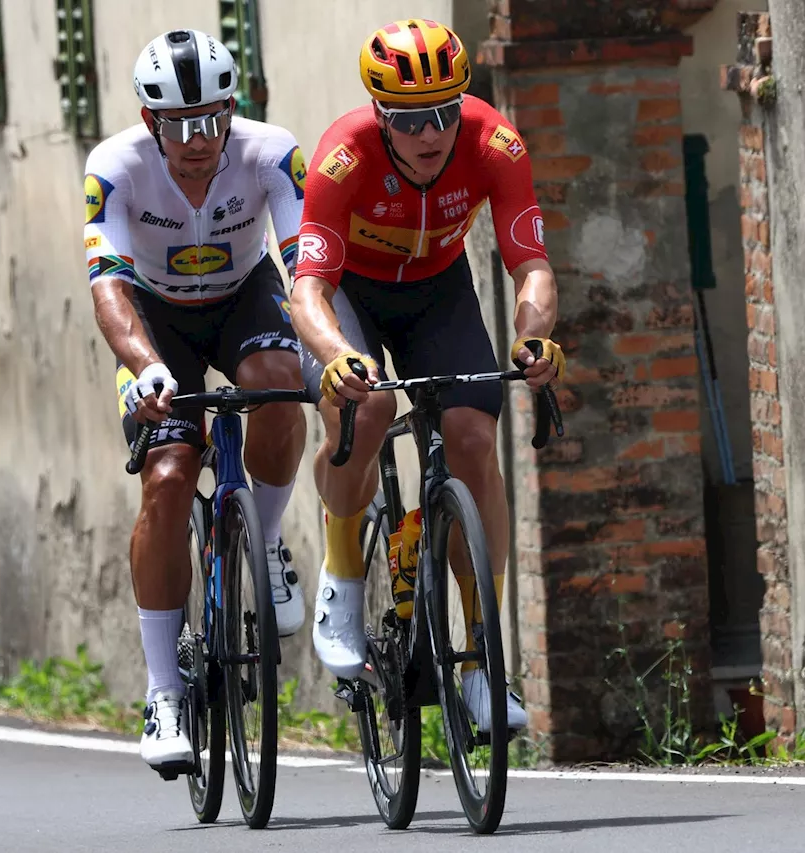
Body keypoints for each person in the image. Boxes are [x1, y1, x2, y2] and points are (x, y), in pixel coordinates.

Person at [289, 18, 566, 734]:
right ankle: (343, 573)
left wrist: (534, 337)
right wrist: (335, 355)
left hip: (438, 291)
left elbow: (531, 265)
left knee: (474, 438)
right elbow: (308, 290)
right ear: (381, 115)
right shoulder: (342, 159)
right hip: (353, 293)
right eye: (411, 119)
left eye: (445, 111)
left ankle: (481, 667)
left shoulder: (494, 144)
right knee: (367, 410)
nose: (431, 132)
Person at [84, 28, 310, 772]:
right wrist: (146, 367)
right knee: (172, 472)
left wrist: (328, 346)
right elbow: (109, 288)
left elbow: (305, 262)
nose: (197, 139)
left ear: (231, 110)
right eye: (178, 124)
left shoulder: (270, 151)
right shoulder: (113, 168)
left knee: (281, 386)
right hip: (156, 317)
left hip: (244, 295)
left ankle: (266, 539)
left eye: (211, 119)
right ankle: (163, 692)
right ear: (150, 123)